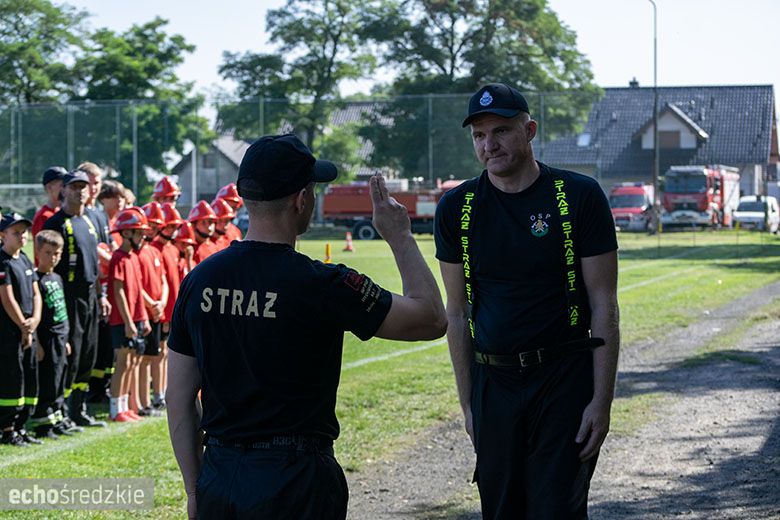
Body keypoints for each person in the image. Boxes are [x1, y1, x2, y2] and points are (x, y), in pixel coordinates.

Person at [166, 133, 447, 520]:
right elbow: (432, 318)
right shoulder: (323, 284)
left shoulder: (199, 280)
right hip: (294, 480)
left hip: (221, 474)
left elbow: (178, 400)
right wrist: (399, 237)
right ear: (302, 199)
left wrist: (195, 488)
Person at [434, 83, 620, 519]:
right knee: (501, 511)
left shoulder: (578, 196)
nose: (489, 145)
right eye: (479, 136)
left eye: (501, 131)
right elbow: (457, 315)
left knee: (556, 510)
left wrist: (601, 401)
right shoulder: (456, 207)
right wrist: (468, 404)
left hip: (562, 380)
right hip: (493, 384)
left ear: (529, 130)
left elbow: (604, 307)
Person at [43, 170, 111, 430]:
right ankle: (62, 410)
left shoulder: (91, 221)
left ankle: (79, 409)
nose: (80, 191)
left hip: (90, 298)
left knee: (87, 355)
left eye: (84, 186)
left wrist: (100, 296)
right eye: (75, 186)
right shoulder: (57, 223)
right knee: (71, 353)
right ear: (65, 190)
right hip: (68, 297)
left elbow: (94, 265)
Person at [0, 213, 42, 447]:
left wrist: (35, 319)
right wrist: (23, 326)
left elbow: (36, 293)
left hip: (29, 329)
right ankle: (8, 428)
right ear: (2, 235)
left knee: (29, 376)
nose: (22, 236)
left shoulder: (25, 260)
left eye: (24, 232)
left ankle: (21, 426)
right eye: (16, 232)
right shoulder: (2, 262)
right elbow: (7, 299)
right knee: (12, 378)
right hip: (11, 332)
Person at [107, 207, 152, 422]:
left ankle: (125, 406)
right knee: (123, 363)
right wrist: (127, 321)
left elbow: (138, 290)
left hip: (135, 319)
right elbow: (119, 291)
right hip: (122, 321)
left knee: (132, 362)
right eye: (139, 232)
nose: (143, 236)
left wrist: (142, 317)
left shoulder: (133, 257)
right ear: (126, 233)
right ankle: (116, 408)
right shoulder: (118, 258)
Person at [28, 230, 72, 439]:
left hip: (60, 338)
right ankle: (42, 423)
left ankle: (56, 418)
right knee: (47, 380)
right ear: (38, 252)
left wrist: (67, 340)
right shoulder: (35, 280)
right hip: (46, 339)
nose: (52, 257)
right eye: (48, 253)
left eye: (57, 253)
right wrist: (37, 343)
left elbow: (62, 311)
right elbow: (33, 312)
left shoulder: (57, 278)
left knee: (59, 378)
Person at [149, 202, 185, 410]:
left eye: (175, 227)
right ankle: (157, 393)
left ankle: (163, 390)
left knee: (166, 352)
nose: (173, 231)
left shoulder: (172, 248)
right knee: (159, 353)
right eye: (170, 227)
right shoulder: (155, 248)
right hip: (162, 311)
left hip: (172, 308)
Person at [31, 166, 68, 238]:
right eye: (62, 185)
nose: (65, 189)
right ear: (49, 187)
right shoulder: (43, 216)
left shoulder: (63, 211)